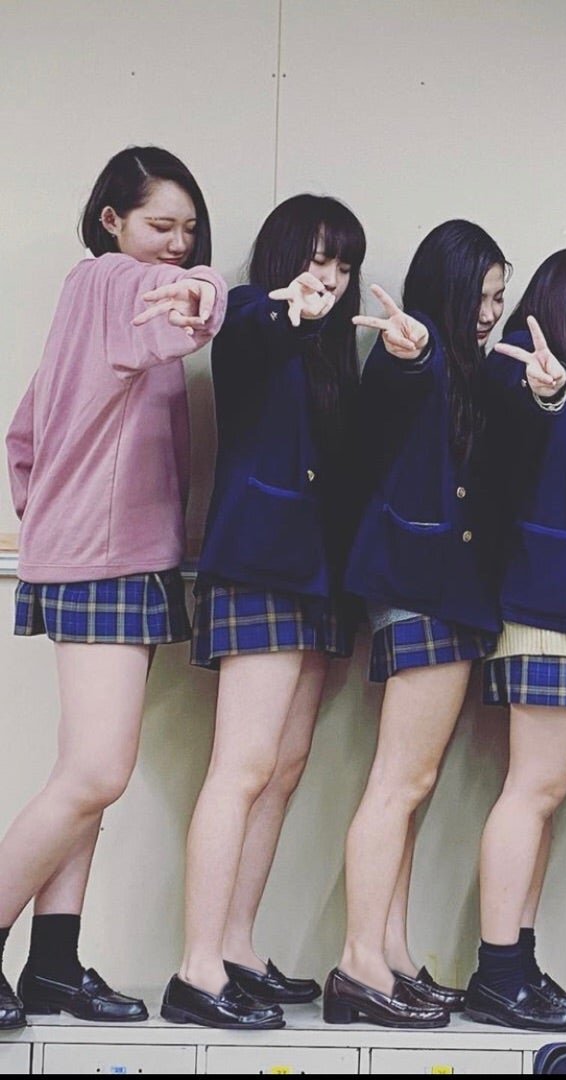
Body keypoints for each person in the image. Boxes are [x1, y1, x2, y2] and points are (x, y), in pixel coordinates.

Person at [1, 146, 225, 1028]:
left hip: (106, 553)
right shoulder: (110, 281)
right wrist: (203, 288)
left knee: (84, 778)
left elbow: (23, 435)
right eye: (160, 225)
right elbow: (183, 307)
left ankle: (54, 965)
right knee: (97, 773)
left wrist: (51, 513)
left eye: (189, 231)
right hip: (103, 559)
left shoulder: (93, 300)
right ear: (112, 221)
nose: (176, 244)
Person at [161, 195, 366, 1029]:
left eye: (344, 265)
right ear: (285, 256)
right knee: (241, 767)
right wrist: (290, 309)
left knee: (282, 768)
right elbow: (245, 330)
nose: (332, 278)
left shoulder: (331, 349)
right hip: (258, 567)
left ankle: (236, 946)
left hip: (314, 577)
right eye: (319, 259)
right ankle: (197, 968)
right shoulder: (252, 312)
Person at [323, 220, 507, 1029]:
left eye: (500, 299)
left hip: (444, 589)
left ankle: (390, 954)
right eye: (484, 297)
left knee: (412, 785)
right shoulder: (419, 347)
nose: (492, 313)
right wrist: (415, 350)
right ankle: (359, 964)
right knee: (399, 782)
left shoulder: (467, 367)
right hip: (423, 586)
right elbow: (401, 379)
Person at [465, 248, 566, 1031]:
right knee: (530, 792)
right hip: (548, 611)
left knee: (543, 798)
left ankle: (519, 966)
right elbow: (522, 411)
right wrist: (550, 391)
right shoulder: (519, 368)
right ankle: (498, 971)